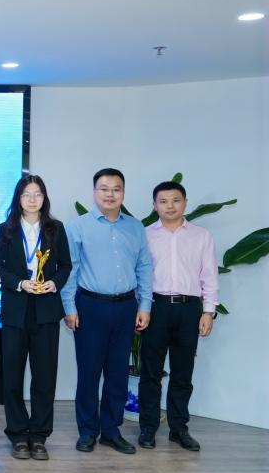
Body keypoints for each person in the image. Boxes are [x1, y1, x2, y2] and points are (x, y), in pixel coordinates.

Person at [62, 168, 153, 455]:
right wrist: (69, 307)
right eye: (104, 188)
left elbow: (144, 267)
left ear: (123, 193)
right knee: (89, 373)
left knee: (117, 373)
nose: (110, 194)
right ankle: (88, 431)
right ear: (94, 192)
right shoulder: (77, 227)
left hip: (126, 307)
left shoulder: (135, 227)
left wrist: (145, 305)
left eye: (116, 189)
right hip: (90, 306)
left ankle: (111, 431)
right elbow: (71, 270)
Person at [0, 175, 71, 460]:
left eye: (38, 194)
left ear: (44, 198)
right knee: (12, 376)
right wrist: (20, 283)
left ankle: (39, 436)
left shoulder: (55, 229)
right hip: (15, 310)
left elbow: (65, 266)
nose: (32, 199)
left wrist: (54, 283)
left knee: (44, 376)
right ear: (18, 198)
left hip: (46, 310)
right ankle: (17, 434)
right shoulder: (5, 230)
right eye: (27, 194)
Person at [138, 181, 218, 452]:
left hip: (189, 309)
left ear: (185, 202)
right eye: (163, 201)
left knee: (183, 373)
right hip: (155, 307)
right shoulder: (145, 235)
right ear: (154, 205)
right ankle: (148, 427)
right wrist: (140, 308)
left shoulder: (201, 236)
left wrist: (209, 312)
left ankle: (179, 429)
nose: (170, 206)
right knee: (151, 372)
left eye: (175, 200)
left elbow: (209, 276)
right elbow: (139, 275)